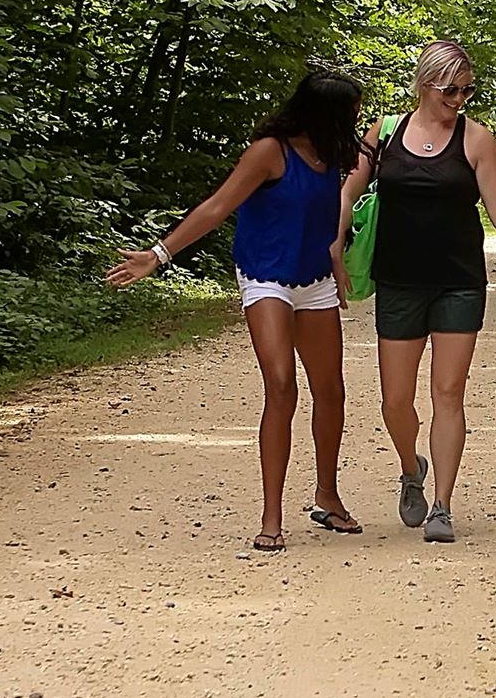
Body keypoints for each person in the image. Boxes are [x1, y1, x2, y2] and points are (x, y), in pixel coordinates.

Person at [104, 68, 365, 554]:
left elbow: (325, 212)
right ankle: (272, 516)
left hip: (313, 278)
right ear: (322, 114)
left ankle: (327, 495)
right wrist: (158, 255)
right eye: (349, 114)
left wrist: (335, 253)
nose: (355, 122)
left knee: (331, 391)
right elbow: (217, 207)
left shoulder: (332, 153)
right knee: (281, 385)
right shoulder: (270, 151)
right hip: (265, 274)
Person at [339, 38, 496, 544]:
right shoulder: (386, 133)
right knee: (395, 401)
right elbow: (348, 189)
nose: (458, 100)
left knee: (448, 393)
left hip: (459, 281)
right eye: (450, 90)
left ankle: (442, 504)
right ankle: (410, 467)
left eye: (466, 91)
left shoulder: (477, 140)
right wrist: (335, 237)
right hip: (399, 281)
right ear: (425, 84)